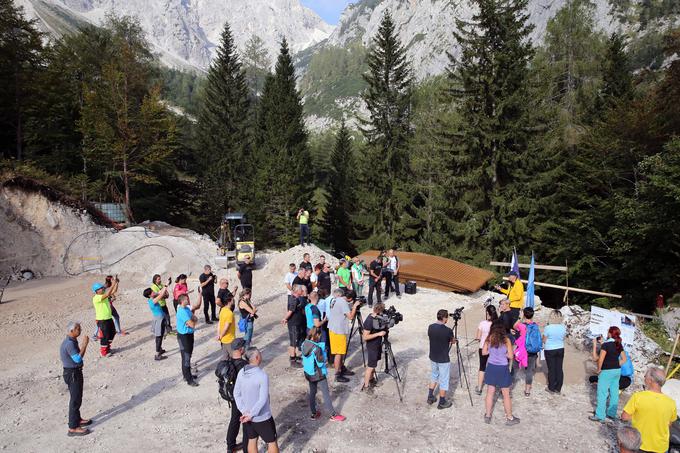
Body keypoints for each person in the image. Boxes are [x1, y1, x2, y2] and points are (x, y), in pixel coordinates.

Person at [234, 348, 280, 453]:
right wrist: (251, 414)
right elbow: (263, 399)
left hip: (247, 417)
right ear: (257, 357)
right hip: (262, 417)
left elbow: (236, 393)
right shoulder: (262, 375)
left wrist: (245, 411)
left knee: (252, 440)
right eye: (260, 354)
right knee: (272, 442)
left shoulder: (242, 372)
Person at [621, 367, 677, 453]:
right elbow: (669, 423)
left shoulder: (638, 396)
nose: (644, 378)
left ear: (650, 380)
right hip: (661, 447)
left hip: (640, 444)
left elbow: (624, 417)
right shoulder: (671, 403)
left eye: (645, 376)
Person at [301, 327, 347, 422]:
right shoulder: (317, 348)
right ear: (317, 335)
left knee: (312, 392)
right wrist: (324, 354)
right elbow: (321, 363)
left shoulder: (304, 343)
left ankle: (314, 413)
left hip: (309, 373)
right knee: (326, 394)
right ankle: (333, 415)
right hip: (318, 374)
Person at [483, 322, 520, 425]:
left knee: (490, 392)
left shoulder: (489, 338)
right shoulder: (506, 340)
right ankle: (509, 417)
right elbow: (511, 356)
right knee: (506, 394)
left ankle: (488, 415)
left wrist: (492, 352)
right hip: (502, 368)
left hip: (491, 366)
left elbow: (484, 352)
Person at [589, 326, 628, 422]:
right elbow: (624, 359)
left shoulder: (605, 345)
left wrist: (598, 369)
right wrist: (615, 364)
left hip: (606, 371)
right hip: (617, 371)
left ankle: (600, 415)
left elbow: (600, 359)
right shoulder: (618, 344)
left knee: (602, 393)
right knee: (614, 392)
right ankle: (611, 414)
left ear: (610, 333)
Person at [60, 321, 91, 436]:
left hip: (73, 372)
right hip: (72, 374)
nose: (80, 330)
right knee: (75, 400)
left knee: (77, 397)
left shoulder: (71, 341)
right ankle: (72, 428)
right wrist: (85, 345)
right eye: (78, 329)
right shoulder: (69, 344)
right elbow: (77, 359)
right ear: (71, 331)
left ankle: (77, 419)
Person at [327, 288, 360, 383]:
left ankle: (342, 368)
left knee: (340, 351)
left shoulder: (338, 299)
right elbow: (350, 317)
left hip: (333, 328)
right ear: (350, 299)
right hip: (338, 331)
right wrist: (354, 307)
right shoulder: (343, 303)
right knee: (339, 353)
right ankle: (337, 374)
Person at [224, 338, 249, 453]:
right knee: (246, 422)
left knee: (234, 419)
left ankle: (230, 446)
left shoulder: (228, 361)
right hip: (243, 397)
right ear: (241, 349)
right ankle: (246, 447)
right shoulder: (244, 365)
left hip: (232, 396)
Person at [426, 309, 455, 409]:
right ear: (444, 318)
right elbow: (452, 341)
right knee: (444, 380)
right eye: (447, 318)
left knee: (434, 375)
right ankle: (442, 402)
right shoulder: (448, 331)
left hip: (433, 356)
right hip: (443, 359)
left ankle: (430, 396)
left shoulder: (430, 327)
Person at [176, 291, 202, 387]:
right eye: (186, 299)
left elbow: (194, 319)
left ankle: (186, 375)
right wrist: (192, 321)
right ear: (182, 301)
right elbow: (192, 323)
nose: (188, 299)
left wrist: (192, 321)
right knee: (186, 357)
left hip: (189, 335)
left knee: (188, 355)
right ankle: (189, 380)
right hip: (184, 337)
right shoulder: (182, 311)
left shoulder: (186, 308)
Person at [361, 303, 387, 394]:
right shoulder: (369, 320)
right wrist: (378, 334)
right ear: (379, 311)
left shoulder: (377, 318)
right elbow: (365, 337)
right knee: (370, 366)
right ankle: (366, 386)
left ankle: (371, 380)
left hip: (377, 344)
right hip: (372, 346)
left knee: (374, 365)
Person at [513, 307, 539, 397]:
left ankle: (508, 387)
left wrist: (520, 318)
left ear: (524, 314)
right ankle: (527, 390)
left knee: (514, 369)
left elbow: (514, 326)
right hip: (532, 351)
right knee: (529, 371)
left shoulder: (522, 326)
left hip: (521, 351)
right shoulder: (535, 326)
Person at [92, 277, 119, 357]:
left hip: (108, 318)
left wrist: (116, 283)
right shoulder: (96, 298)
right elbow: (108, 293)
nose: (102, 289)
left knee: (113, 332)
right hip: (102, 320)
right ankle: (104, 352)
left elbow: (114, 291)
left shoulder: (103, 296)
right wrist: (113, 284)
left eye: (102, 288)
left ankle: (107, 347)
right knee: (105, 336)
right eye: (100, 288)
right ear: (96, 291)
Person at [281, 284, 307, 367]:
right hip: (293, 324)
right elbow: (290, 311)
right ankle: (292, 360)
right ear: (297, 291)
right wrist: (285, 318)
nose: (302, 291)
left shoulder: (295, 298)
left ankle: (294, 356)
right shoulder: (294, 299)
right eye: (301, 290)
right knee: (293, 341)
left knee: (295, 340)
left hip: (296, 323)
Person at [476, 305, 498, 395]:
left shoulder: (482, 323)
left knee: (482, 367)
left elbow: (478, 337)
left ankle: (479, 388)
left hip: (482, 347)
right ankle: (492, 388)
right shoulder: (497, 324)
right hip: (494, 348)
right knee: (493, 367)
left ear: (487, 313)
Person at [543, 309, 566, 393]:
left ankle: (551, 388)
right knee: (559, 368)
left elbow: (544, 340)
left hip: (550, 349)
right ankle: (558, 388)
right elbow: (563, 338)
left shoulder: (548, 328)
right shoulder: (563, 327)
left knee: (551, 369)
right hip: (560, 348)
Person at [144, 287, 167, 361]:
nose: (154, 292)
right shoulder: (153, 301)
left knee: (159, 335)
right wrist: (166, 286)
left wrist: (166, 284)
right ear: (150, 295)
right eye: (152, 291)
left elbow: (160, 292)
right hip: (159, 320)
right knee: (159, 336)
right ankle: (157, 354)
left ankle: (159, 349)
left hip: (159, 318)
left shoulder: (151, 299)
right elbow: (161, 294)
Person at [217, 289, 237, 360]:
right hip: (229, 339)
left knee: (225, 357)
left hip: (223, 339)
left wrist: (219, 335)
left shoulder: (222, 309)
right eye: (232, 299)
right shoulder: (229, 313)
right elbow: (226, 327)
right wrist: (221, 335)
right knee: (234, 357)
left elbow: (219, 323)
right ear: (229, 301)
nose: (233, 301)